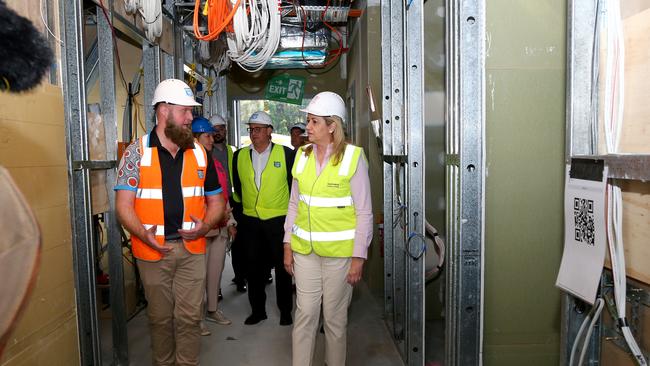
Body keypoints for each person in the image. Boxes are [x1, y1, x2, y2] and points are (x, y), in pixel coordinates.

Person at [115, 79, 225, 366]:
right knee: (160, 319)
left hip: (192, 251)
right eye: (186, 111)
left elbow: (217, 202)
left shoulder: (200, 153)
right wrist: (142, 234)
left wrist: (204, 227)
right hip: (153, 252)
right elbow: (123, 207)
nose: (191, 118)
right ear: (164, 110)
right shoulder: (135, 153)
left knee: (189, 318)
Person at [283, 92, 373, 366]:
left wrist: (358, 258)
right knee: (305, 315)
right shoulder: (302, 156)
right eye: (308, 121)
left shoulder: (353, 158)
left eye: (314, 122)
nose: (307, 127)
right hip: (305, 253)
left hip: (339, 257)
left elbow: (364, 212)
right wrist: (287, 245)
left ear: (332, 125)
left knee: (334, 320)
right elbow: (294, 204)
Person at [232, 110, 295, 326]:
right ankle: (258, 310)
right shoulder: (239, 156)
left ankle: (285, 311)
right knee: (254, 268)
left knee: (283, 268)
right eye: (251, 129)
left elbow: (293, 189)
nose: (253, 133)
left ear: (270, 131)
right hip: (250, 221)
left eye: (258, 129)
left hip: (278, 220)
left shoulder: (286, 155)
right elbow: (237, 189)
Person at [192, 117, 235, 328]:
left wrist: (230, 221)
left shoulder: (216, 163)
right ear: (195, 139)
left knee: (215, 272)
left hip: (220, 228)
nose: (212, 139)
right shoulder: (189, 163)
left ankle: (211, 310)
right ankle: (197, 317)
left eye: (211, 135)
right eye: (207, 135)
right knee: (197, 276)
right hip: (202, 229)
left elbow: (223, 195)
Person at [210, 114, 247, 293]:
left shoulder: (233, 151)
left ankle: (240, 278)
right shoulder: (205, 152)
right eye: (214, 130)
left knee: (239, 241)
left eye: (221, 128)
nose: (218, 132)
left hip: (235, 201)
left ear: (226, 130)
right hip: (215, 202)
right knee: (217, 243)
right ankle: (214, 289)